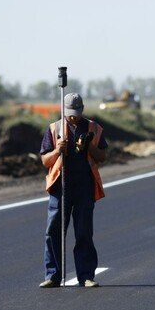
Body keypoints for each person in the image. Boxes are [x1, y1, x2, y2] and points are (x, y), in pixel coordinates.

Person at [38, 93, 108, 288]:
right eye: (70, 114)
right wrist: (57, 150)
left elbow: (102, 156)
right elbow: (45, 160)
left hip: (84, 186)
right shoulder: (54, 129)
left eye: (76, 113)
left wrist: (89, 147)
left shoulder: (94, 128)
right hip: (60, 187)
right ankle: (52, 275)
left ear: (82, 109)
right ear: (64, 110)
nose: (73, 117)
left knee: (84, 231)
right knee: (53, 231)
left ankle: (86, 276)